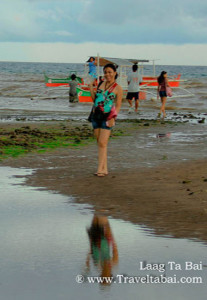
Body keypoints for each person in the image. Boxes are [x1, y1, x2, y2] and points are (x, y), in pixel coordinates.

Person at [89, 63, 123, 177]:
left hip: (108, 116)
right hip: (96, 115)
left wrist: (114, 117)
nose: (107, 74)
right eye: (105, 72)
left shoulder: (118, 88)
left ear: (115, 73)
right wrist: (91, 89)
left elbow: (118, 105)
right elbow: (95, 100)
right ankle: (104, 169)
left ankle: (100, 169)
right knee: (100, 143)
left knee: (103, 143)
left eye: (109, 72)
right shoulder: (101, 84)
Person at [85, 213, 119, 285]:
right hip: (104, 236)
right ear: (110, 276)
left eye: (102, 278)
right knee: (101, 213)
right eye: (106, 278)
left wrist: (87, 261)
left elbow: (92, 250)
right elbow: (115, 248)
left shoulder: (97, 264)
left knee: (96, 213)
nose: (104, 276)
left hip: (95, 236)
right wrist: (110, 233)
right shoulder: (113, 262)